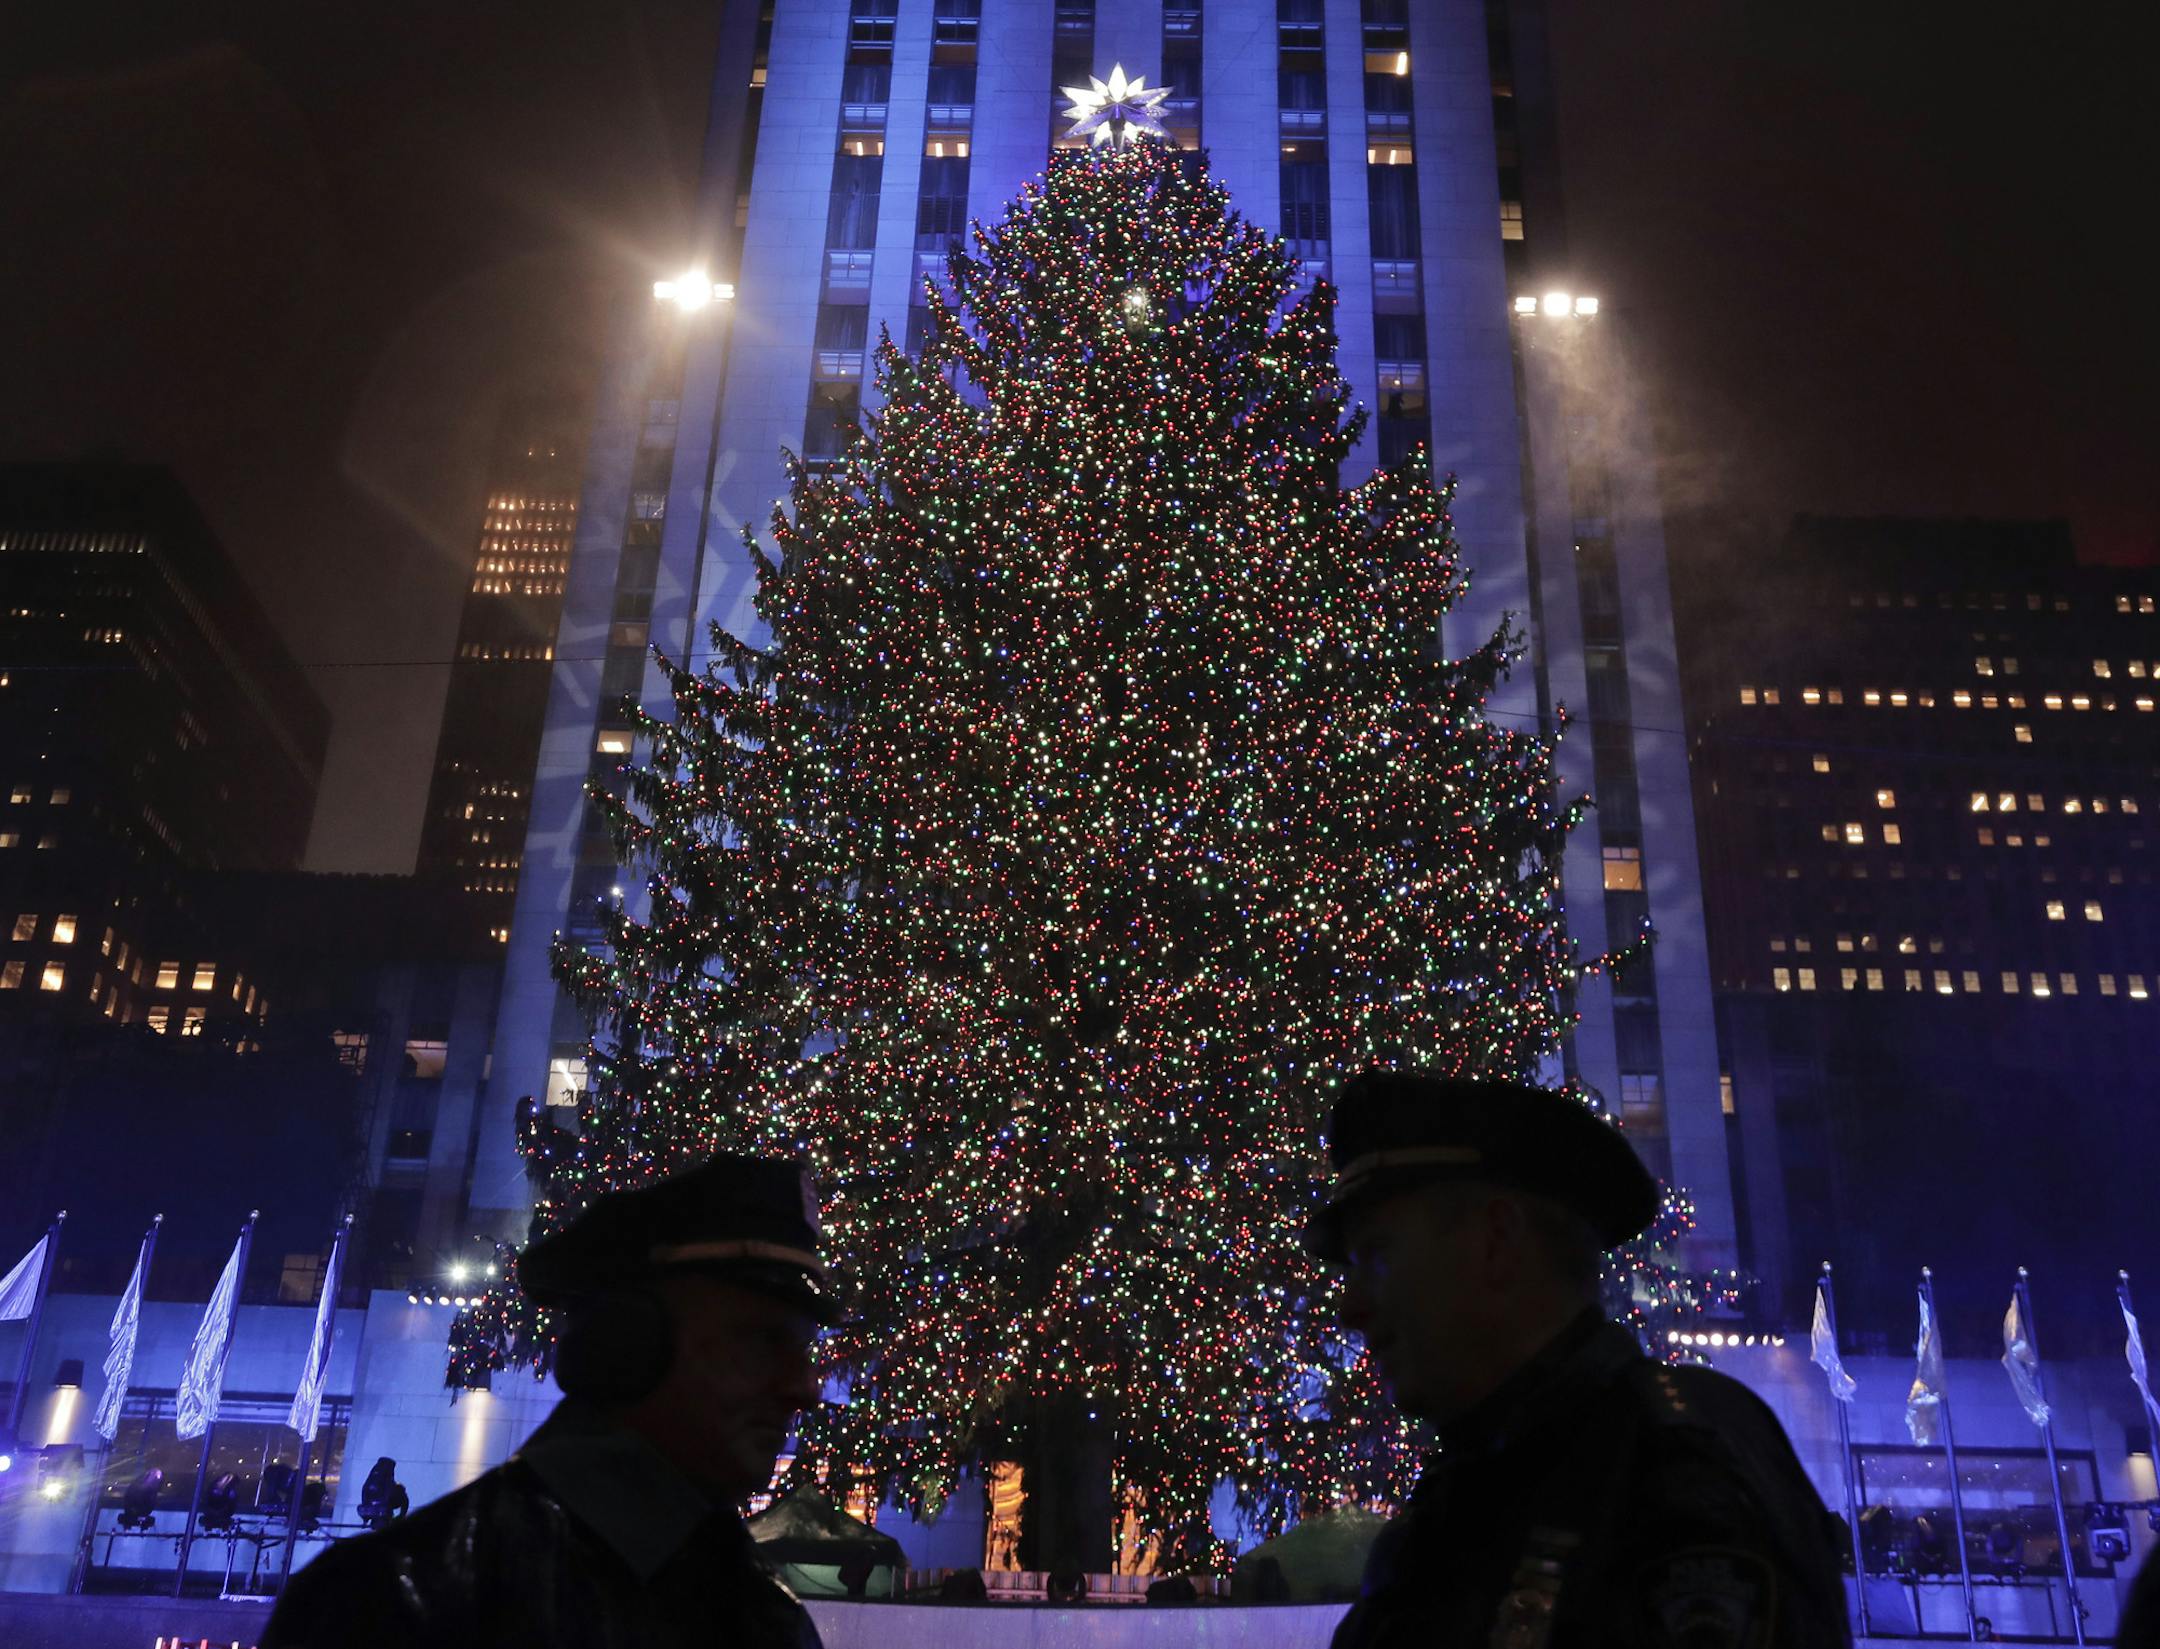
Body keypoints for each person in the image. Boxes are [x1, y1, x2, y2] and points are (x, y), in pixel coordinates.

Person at [1308, 1070, 1852, 1647]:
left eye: (1376, 1255)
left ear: (1496, 1240)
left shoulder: (1676, 1474)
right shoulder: (1469, 1496)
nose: (1352, 1308)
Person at [264, 1154, 836, 1649]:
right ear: (629, 1343)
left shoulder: (766, 1614)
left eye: (803, 1348)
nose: (804, 1387)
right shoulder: (391, 1603)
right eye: (763, 1342)